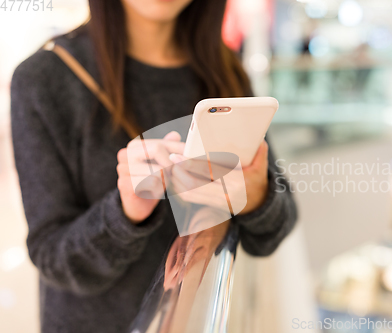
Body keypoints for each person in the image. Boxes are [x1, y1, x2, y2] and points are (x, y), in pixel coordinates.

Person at [10, 0, 297, 332]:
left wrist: (257, 192)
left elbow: (278, 227)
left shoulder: (223, 67)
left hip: (199, 318)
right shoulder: (45, 79)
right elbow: (53, 257)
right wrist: (124, 213)